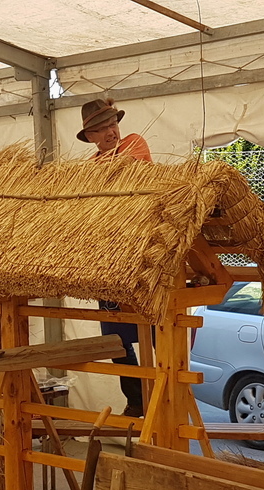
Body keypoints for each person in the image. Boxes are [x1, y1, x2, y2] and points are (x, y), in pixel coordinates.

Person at [78, 98, 153, 418]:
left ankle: (162, 398)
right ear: (90, 137)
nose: (111, 131)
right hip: (109, 260)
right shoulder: (90, 166)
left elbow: (124, 176)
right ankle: (136, 400)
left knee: (156, 331)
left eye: (112, 124)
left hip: (142, 254)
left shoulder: (134, 143)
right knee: (115, 338)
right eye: (101, 128)